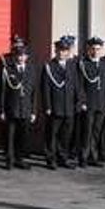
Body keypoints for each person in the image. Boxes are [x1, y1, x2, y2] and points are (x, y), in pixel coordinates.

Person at [0, 38, 35, 170]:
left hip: (25, 109)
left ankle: (20, 159)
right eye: (19, 55)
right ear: (15, 56)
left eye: (23, 55)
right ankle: (9, 160)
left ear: (27, 57)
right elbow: (2, 91)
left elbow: (33, 92)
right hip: (11, 108)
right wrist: (1, 110)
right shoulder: (8, 69)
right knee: (9, 135)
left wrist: (33, 111)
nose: (21, 58)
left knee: (22, 135)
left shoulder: (31, 69)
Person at [42, 36, 79, 170]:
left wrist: (79, 102)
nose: (62, 53)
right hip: (55, 107)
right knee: (52, 134)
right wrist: (47, 106)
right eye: (60, 50)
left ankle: (63, 157)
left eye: (65, 51)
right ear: (55, 51)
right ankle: (50, 159)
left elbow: (76, 86)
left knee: (66, 135)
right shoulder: (49, 66)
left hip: (69, 106)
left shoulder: (71, 66)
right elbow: (45, 88)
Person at [76, 37, 105, 168]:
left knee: (97, 131)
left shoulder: (104, 65)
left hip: (101, 103)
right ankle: (83, 157)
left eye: (98, 49)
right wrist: (83, 102)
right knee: (86, 131)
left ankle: (94, 156)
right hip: (89, 104)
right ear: (88, 49)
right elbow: (80, 86)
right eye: (93, 49)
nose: (95, 52)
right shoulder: (83, 64)